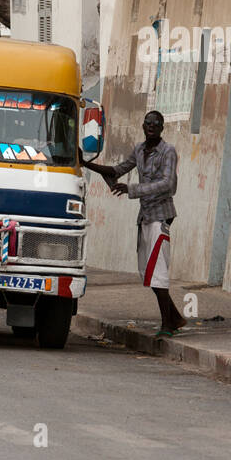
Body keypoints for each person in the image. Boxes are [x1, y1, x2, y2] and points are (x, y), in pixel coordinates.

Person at [88, 110, 184, 338]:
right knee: (148, 271)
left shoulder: (168, 151)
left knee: (158, 271)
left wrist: (131, 189)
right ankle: (176, 317)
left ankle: (167, 325)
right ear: (143, 126)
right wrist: (86, 164)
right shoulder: (140, 150)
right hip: (145, 217)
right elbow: (118, 170)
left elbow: (167, 184)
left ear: (162, 128)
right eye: (148, 123)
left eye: (156, 124)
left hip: (160, 217)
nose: (151, 126)